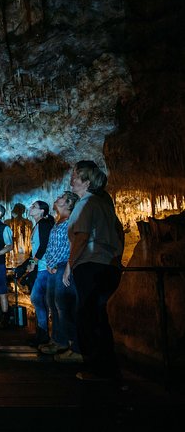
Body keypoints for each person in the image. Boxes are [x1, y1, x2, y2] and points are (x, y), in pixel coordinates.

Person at [64, 161, 125, 382]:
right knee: (99, 317)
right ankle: (109, 368)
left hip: (90, 265)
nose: (71, 180)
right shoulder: (104, 205)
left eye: (74, 176)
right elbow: (119, 232)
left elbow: (81, 238)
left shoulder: (85, 204)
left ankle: (96, 368)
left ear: (86, 182)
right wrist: (116, 258)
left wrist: (69, 266)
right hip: (108, 266)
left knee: (88, 318)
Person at [39, 191, 83, 363]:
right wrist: (50, 263)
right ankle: (59, 340)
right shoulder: (58, 222)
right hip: (54, 267)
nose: (56, 199)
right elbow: (52, 246)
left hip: (65, 266)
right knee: (53, 304)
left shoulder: (72, 220)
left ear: (69, 204)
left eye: (61, 198)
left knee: (64, 306)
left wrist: (67, 267)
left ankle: (75, 346)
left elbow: (73, 245)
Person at [26, 201, 55, 347]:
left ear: (42, 211)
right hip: (42, 267)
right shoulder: (37, 225)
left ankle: (45, 334)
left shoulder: (43, 224)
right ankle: (42, 333)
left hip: (45, 268)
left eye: (34, 207)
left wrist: (34, 261)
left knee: (38, 298)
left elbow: (44, 244)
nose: (30, 208)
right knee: (40, 300)